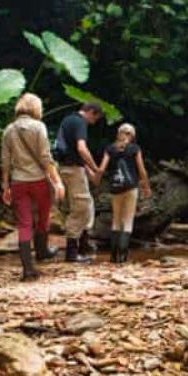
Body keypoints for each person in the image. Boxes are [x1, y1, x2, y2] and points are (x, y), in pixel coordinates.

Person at [1, 94, 67, 281]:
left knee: (24, 223)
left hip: (18, 182)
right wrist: (57, 181)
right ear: (36, 108)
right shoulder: (39, 127)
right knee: (43, 216)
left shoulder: (9, 130)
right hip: (38, 180)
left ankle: (28, 269)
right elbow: (46, 157)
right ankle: (42, 251)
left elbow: (5, 161)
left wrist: (6, 187)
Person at [54, 103, 103, 263]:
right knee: (81, 207)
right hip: (73, 170)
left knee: (81, 206)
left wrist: (88, 171)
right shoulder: (80, 122)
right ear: (90, 112)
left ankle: (83, 245)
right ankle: (72, 253)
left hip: (63, 169)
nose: (93, 123)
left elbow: (71, 150)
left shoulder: (67, 120)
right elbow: (81, 149)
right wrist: (95, 168)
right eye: (95, 118)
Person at [96, 124, 151, 263]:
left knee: (116, 221)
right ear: (132, 136)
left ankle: (113, 257)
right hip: (131, 187)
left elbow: (101, 169)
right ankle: (123, 257)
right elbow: (141, 169)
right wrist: (146, 186)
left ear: (118, 133)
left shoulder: (109, 149)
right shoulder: (134, 149)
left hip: (115, 188)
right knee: (127, 222)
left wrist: (96, 179)